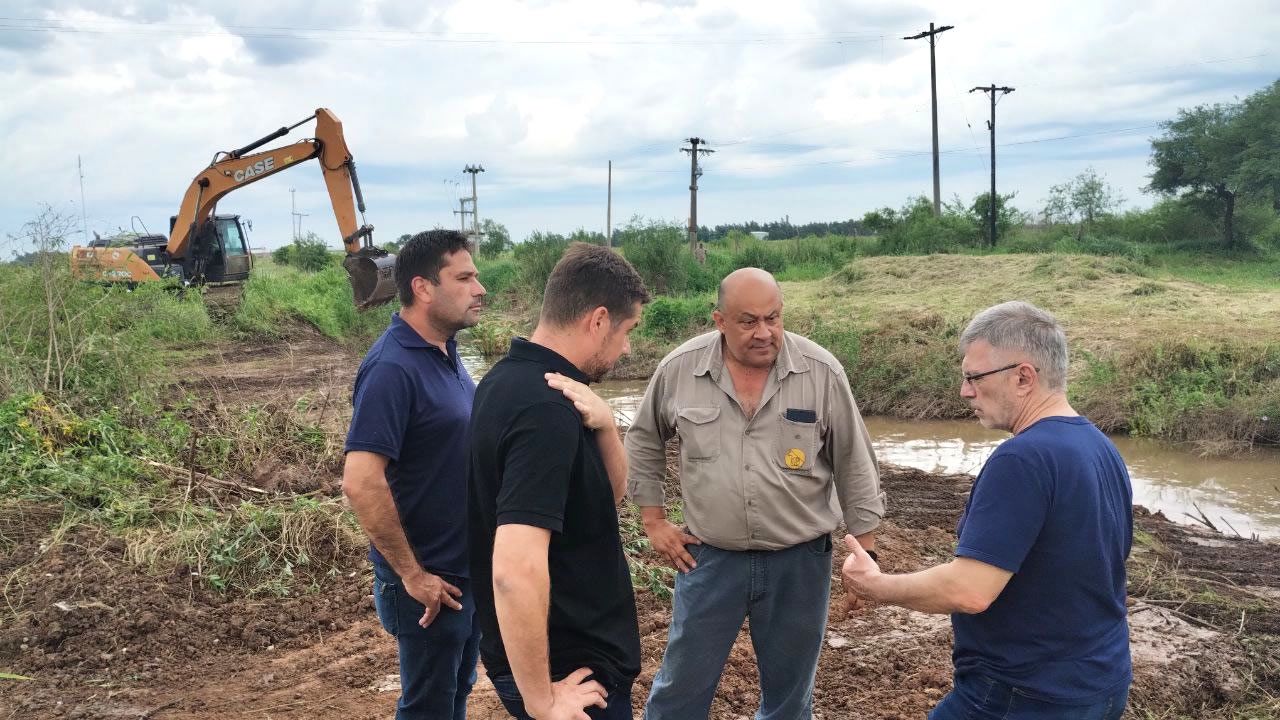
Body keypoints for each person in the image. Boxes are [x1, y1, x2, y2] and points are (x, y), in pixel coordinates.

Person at [841, 300, 1133, 720]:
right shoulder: (1098, 446)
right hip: (1100, 683)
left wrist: (876, 585)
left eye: (974, 377)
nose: (965, 391)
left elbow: (969, 590)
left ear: (1023, 377)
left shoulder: (1022, 460)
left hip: (1025, 693)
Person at [626, 267, 884, 720]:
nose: (764, 333)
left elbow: (855, 462)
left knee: (790, 696)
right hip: (709, 558)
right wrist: (653, 521)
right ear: (719, 321)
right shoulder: (680, 370)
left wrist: (865, 552)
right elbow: (645, 438)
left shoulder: (820, 372)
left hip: (800, 563)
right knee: (679, 689)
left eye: (773, 318)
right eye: (748, 321)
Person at [468, 243, 652, 720]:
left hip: (559, 660)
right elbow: (514, 570)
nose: (628, 347)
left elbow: (604, 498)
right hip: (571, 673)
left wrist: (608, 426)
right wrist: (542, 701)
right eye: (627, 331)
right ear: (597, 320)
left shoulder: (509, 383)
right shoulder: (546, 410)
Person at [342, 230, 486, 720]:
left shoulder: (443, 349)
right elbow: (361, 481)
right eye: (464, 277)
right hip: (428, 583)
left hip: (463, 571)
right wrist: (412, 574)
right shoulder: (392, 368)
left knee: (456, 691)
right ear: (423, 288)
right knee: (428, 705)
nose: (479, 288)